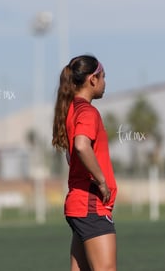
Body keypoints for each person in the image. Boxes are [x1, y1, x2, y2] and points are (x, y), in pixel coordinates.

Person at [52, 55, 117, 270]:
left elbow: (71, 154)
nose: (105, 82)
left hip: (79, 204)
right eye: (103, 77)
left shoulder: (71, 109)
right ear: (92, 79)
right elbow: (80, 146)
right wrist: (101, 180)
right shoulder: (87, 111)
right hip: (91, 205)